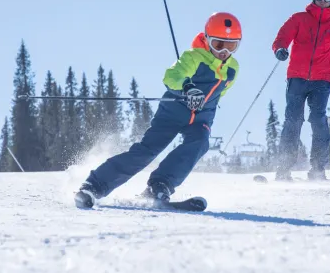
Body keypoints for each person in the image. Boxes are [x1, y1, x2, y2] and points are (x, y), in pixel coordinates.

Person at [74, 12, 241, 208]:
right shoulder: (194, 57)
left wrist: (205, 107)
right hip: (173, 112)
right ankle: (94, 185)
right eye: (218, 44)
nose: (224, 51)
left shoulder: (233, 69)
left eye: (231, 46)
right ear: (207, 39)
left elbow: (220, 94)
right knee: (147, 152)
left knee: (200, 142)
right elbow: (171, 76)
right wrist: (187, 87)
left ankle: (160, 185)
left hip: (201, 118)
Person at [271, 0, 330, 181]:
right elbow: (282, 37)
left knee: (318, 120)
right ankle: (283, 169)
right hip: (297, 78)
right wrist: (280, 49)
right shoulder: (299, 19)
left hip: (322, 81)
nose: (324, 0)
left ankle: (318, 170)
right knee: (293, 121)